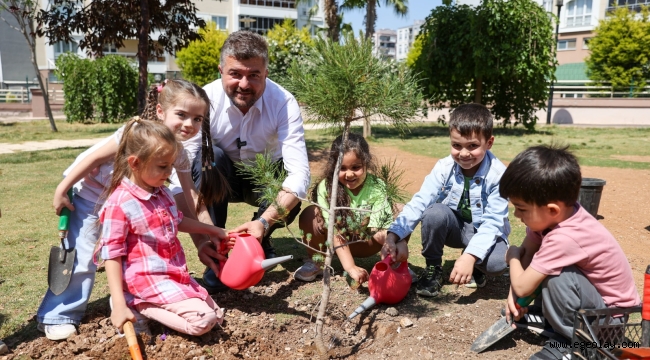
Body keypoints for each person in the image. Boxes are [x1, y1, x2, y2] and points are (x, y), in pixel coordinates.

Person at [36, 79, 228, 341]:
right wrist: (63, 187)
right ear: (161, 111)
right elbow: (92, 158)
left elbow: (189, 196)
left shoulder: (178, 152)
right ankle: (58, 315)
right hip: (92, 196)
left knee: (138, 253)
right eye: (181, 115)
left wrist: (205, 239)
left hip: (135, 201)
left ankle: (132, 297)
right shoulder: (134, 133)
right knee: (81, 257)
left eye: (197, 119)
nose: (189, 124)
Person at [183, 30, 310, 293]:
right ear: (221, 70)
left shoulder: (284, 102)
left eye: (254, 75)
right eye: (235, 74)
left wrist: (264, 222)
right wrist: (206, 234)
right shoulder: (203, 101)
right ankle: (219, 253)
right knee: (210, 158)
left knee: (287, 180)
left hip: (263, 183)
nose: (244, 84)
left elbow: (299, 176)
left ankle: (258, 237)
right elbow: (183, 169)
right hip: (221, 177)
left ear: (265, 73)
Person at [500, 145, 640, 360]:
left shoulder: (566, 237)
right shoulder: (558, 215)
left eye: (522, 208)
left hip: (610, 322)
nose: (516, 214)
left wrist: (512, 257)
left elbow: (522, 278)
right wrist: (515, 300)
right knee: (543, 265)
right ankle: (552, 318)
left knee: (557, 274)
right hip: (595, 308)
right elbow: (527, 254)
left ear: (552, 209)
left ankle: (573, 343)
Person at [96, 119, 225, 336]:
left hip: (171, 274)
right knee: (204, 321)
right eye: (163, 166)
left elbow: (177, 220)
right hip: (145, 280)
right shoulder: (120, 204)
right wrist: (119, 304)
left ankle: (148, 310)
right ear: (135, 163)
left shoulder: (161, 192)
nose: (168, 173)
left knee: (217, 314)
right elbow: (111, 255)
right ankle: (135, 304)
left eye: (171, 166)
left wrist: (214, 230)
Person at [382, 103, 510, 297]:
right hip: (455, 228)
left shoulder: (499, 175)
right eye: (456, 145)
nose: (464, 153)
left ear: (489, 142)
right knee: (434, 212)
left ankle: (475, 265)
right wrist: (393, 235)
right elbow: (420, 201)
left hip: (481, 229)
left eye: (473, 146)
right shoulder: (444, 167)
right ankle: (434, 268)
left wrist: (471, 255)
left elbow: (493, 222)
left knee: (497, 263)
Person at [295, 133, 414, 284]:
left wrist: (398, 241)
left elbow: (377, 232)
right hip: (336, 244)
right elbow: (335, 233)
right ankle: (317, 262)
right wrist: (350, 267)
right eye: (342, 168)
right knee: (310, 214)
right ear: (334, 166)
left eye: (356, 167)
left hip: (368, 242)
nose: (349, 174)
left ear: (366, 163)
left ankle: (394, 262)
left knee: (401, 210)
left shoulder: (377, 186)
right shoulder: (326, 187)